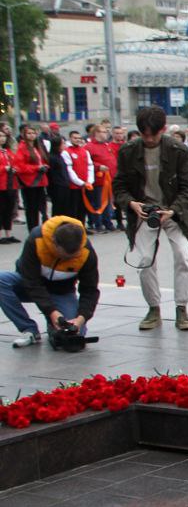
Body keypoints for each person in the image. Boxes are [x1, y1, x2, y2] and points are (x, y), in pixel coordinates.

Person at [115, 105, 188, 331]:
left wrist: (172, 210)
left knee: (183, 255)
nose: (149, 139)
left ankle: (182, 308)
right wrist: (131, 204)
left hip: (174, 212)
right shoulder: (128, 151)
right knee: (144, 262)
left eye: (154, 134)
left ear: (163, 129)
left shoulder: (178, 150)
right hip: (144, 212)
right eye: (144, 135)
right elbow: (119, 186)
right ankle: (153, 308)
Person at [0, 216, 98, 348]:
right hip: (28, 285)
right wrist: (52, 312)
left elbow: (90, 289)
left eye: (72, 257)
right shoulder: (36, 240)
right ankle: (29, 329)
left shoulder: (86, 253)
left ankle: (54, 328)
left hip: (61, 291)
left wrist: (82, 318)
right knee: (2, 279)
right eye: (63, 256)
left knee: (72, 334)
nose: (67, 259)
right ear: (54, 243)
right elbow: (31, 282)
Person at [85, 124, 118, 233]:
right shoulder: (89, 147)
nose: (106, 133)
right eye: (104, 132)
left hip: (109, 179)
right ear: (97, 133)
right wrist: (98, 166)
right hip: (98, 180)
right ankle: (98, 223)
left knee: (108, 203)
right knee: (98, 203)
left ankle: (107, 222)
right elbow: (87, 162)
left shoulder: (106, 145)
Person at [61, 130, 94, 223]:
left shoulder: (85, 151)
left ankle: (81, 226)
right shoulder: (66, 152)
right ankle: (74, 227)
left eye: (79, 138)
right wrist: (80, 182)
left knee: (83, 209)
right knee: (73, 209)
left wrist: (89, 181)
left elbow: (90, 165)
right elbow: (69, 169)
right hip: (74, 187)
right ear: (70, 138)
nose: (77, 140)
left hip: (86, 185)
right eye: (75, 138)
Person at [0, 133, 19, 244]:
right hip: (1, 185)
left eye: (3, 136)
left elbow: (15, 162)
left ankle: (8, 233)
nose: (2, 138)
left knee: (9, 209)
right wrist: (4, 168)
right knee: (1, 209)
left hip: (10, 184)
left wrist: (14, 168)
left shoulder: (7, 151)